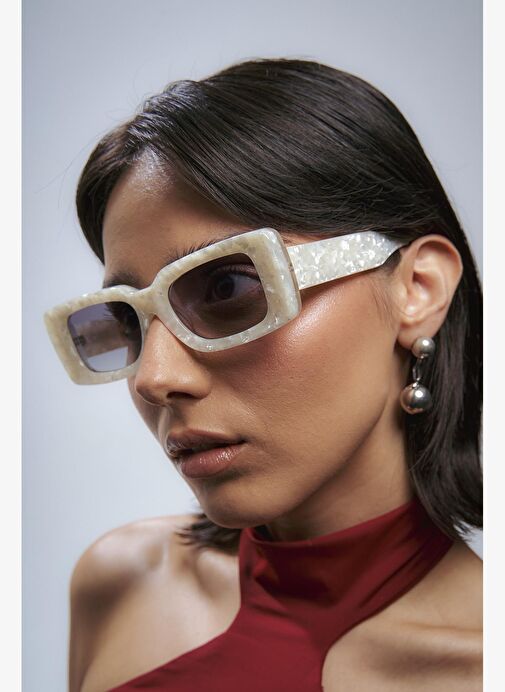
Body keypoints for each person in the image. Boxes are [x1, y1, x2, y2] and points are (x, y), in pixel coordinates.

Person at [44, 57, 482, 691]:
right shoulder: (120, 583)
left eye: (228, 287)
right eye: (127, 321)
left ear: (418, 288)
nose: (152, 379)